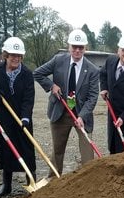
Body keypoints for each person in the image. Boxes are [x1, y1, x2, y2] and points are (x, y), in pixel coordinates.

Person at [33, 29, 99, 175]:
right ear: (69, 46)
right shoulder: (58, 60)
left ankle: (89, 183)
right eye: (74, 46)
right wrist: (51, 85)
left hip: (81, 115)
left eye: (80, 47)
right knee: (58, 151)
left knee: (88, 155)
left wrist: (82, 116)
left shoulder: (93, 70)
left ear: (85, 48)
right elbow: (37, 73)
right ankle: (54, 180)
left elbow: (93, 97)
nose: (77, 50)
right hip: (60, 111)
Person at [0, 37, 36, 197]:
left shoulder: (27, 74)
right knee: (6, 149)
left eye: (18, 55)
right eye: (12, 55)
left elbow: (28, 99)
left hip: (23, 119)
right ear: (6, 55)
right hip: (4, 119)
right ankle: (6, 184)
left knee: (27, 149)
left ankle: (32, 182)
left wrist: (25, 117)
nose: (16, 58)